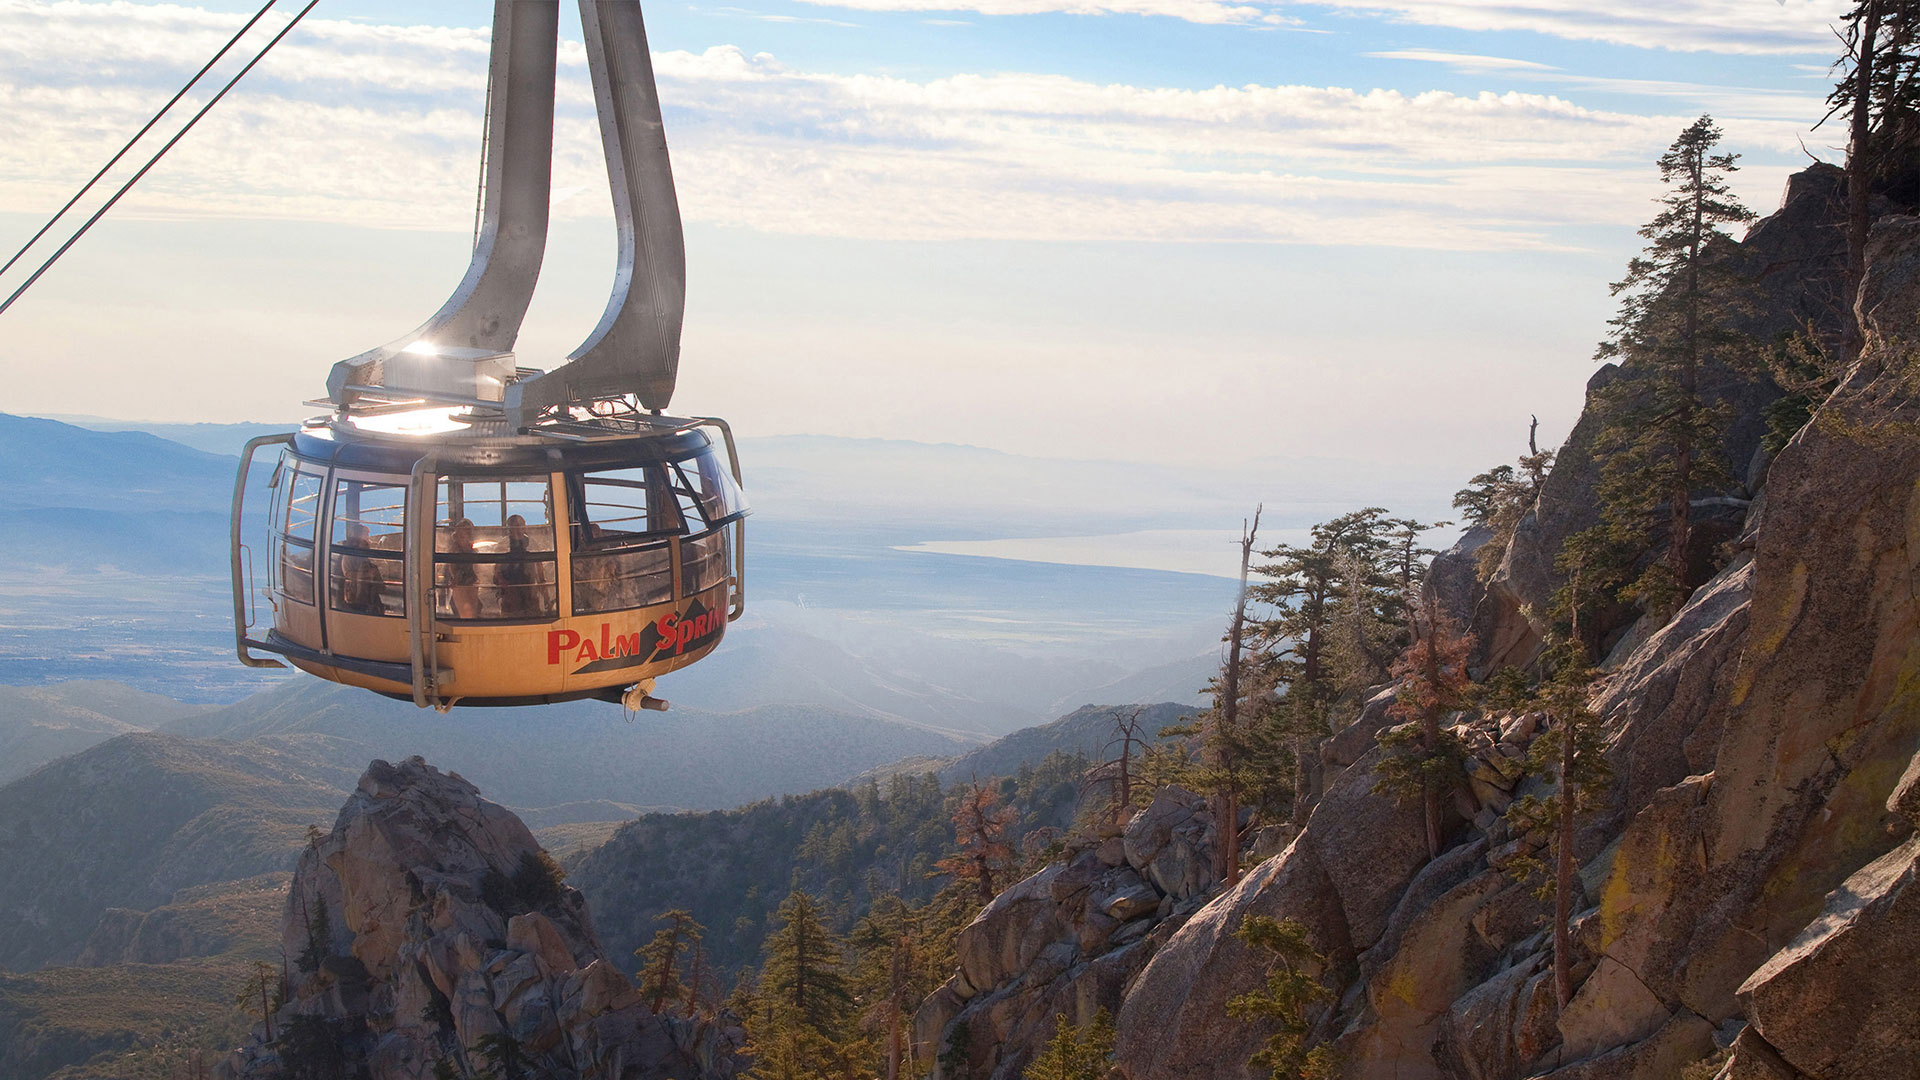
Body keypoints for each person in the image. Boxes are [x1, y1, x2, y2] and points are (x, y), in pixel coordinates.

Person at [495, 513, 546, 618]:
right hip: (510, 586)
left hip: (529, 585)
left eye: (522, 525)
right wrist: (501, 581)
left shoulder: (531, 543)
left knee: (533, 613)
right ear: (510, 528)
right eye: (517, 525)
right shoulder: (504, 544)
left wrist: (541, 582)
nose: (520, 528)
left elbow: (539, 564)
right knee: (511, 614)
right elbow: (497, 567)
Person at [337, 523, 385, 614]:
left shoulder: (363, 550)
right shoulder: (349, 554)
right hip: (357, 594)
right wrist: (368, 574)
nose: (368, 537)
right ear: (359, 535)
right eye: (366, 534)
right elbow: (348, 574)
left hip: (367, 590)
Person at [445, 518, 482, 619]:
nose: (467, 533)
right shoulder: (454, 551)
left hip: (471, 585)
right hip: (460, 587)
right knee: (465, 614)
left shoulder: (473, 550)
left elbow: (476, 569)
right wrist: (455, 580)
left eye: (468, 530)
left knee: (473, 612)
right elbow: (451, 570)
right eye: (464, 530)